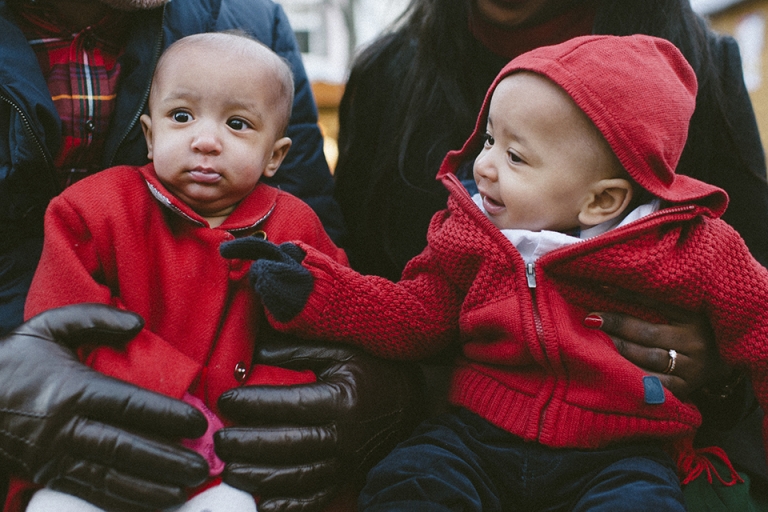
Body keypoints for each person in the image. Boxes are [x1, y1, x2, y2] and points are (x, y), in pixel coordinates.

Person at [222, 34, 768, 511]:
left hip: (620, 449)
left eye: (516, 157)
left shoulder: (686, 248)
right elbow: (416, 312)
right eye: (488, 140)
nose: (482, 165)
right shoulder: (472, 235)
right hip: (476, 434)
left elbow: (759, 327)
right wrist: (315, 290)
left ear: (602, 201)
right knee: (410, 482)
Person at [0, 1, 422, 511]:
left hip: (234, 456)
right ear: (149, 136)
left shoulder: (292, 224)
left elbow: (337, 316)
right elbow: (66, 317)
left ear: (275, 157)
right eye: (182, 117)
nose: (206, 142)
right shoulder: (93, 210)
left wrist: (378, 383)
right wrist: (164, 387)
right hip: (97, 429)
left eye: (238, 125)